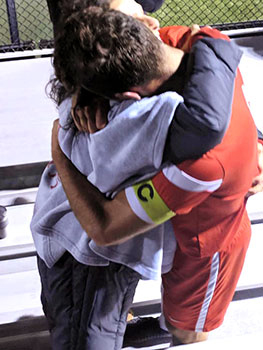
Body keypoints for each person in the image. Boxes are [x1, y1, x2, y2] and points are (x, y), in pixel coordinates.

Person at [49, 3, 263, 347]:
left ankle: (176, 328)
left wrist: (59, 151)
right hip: (183, 216)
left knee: (188, 330)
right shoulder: (186, 41)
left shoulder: (199, 164)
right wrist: (85, 92)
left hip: (205, 244)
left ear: (128, 96)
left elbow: (105, 227)